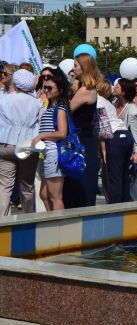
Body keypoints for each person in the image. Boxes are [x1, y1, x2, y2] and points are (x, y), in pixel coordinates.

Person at [0, 69, 42, 215]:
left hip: (4, 143)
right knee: (27, 185)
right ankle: (29, 220)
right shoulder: (37, 103)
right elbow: (40, 125)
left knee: (4, 186)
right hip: (27, 144)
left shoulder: (3, 99)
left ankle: (2, 222)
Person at [63, 53, 99, 209]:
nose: (73, 69)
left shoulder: (85, 90)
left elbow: (66, 112)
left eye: (76, 65)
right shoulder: (87, 88)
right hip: (85, 138)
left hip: (81, 140)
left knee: (78, 182)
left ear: (84, 68)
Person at [32, 70, 69, 211]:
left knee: (55, 196)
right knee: (44, 195)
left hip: (54, 153)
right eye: (44, 87)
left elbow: (62, 133)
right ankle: (51, 223)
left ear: (59, 90)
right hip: (47, 153)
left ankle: (59, 228)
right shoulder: (50, 107)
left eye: (49, 88)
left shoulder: (60, 108)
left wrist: (42, 136)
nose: (45, 90)